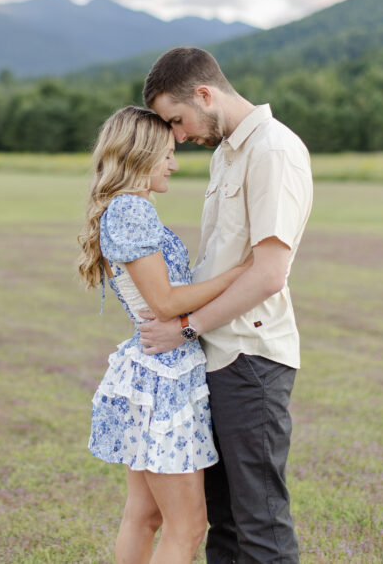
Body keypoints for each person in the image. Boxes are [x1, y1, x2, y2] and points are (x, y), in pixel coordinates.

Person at [138, 47, 313, 564]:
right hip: (214, 355)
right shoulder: (225, 154)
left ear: (206, 95)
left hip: (251, 360)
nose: (179, 135)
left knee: (261, 523)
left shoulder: (273, 151)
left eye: (178, 119)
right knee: (227, 523)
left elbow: (268, 272)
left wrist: (183, 328)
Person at [77, 105, 255, 564]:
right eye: (167, 155)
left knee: (145, 515)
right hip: (166, 379)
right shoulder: (131, 212)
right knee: (188, 524)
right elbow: (168, 304)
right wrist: (241, 271)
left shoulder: (126, 210)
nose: (174, 164)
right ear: (140, 155)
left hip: (154, 372)